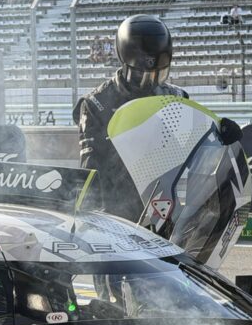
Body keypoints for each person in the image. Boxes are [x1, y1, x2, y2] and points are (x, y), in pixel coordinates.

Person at [74, 15, 187, 218]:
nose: (149, 82)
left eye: (157, 74)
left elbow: (198, 145)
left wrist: (221, 131)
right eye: (140, 74)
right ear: (124, 61)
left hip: (165, 206)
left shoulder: (177, 97)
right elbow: (90, 171)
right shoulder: (96, 103)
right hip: (117, 211)